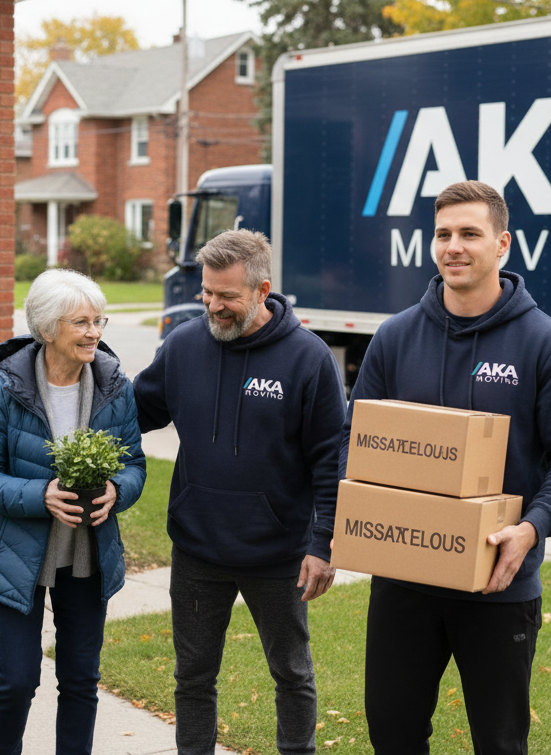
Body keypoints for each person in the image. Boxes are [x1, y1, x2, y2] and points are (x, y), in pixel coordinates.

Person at [343, 181, 551, 755]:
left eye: (469, 234)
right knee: (393, 734)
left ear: (502, 244)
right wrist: (348, 508)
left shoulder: (545, 343)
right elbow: (353, 437)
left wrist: (531, 528)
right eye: (443, 234)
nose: (453, 247)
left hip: (498, 582)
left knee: (499, 743)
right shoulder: (395, 337)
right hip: (404, 578)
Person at [133, 228, 345, 755]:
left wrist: (323, 543)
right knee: (192, 677)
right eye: (207, 292)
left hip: (278, 553)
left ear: (262, 290)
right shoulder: (183, 345)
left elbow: (330, 461)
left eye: (226, 296)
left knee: (291, 674)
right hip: (197, 547)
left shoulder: (308, 358)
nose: (212, 305)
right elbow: (132, 412)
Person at [0, 268, 146, 755]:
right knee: (17, 679)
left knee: (81, 680)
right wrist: (40, 494)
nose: (94, 333)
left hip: (88, 555)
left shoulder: (115, 387)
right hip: (15, 554)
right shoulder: (5, 389)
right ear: (47, 329)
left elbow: (134, 464)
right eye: (81, 322)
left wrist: (117, 490)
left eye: (98, 320)